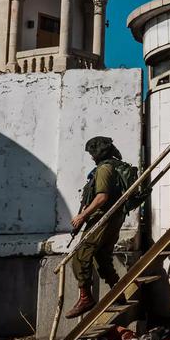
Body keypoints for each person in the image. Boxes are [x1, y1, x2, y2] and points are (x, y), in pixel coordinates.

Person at [65, 136, 137, 319]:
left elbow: (102, 197)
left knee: (80, 255)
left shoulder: (104, 168)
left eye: (92, 153)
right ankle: (118, 293)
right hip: (113, 218)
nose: (91, 157)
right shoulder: (113, 165)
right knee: (102, 258)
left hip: (104, 219)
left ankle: (85, 298)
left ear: (99, 152)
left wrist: (82, 216)